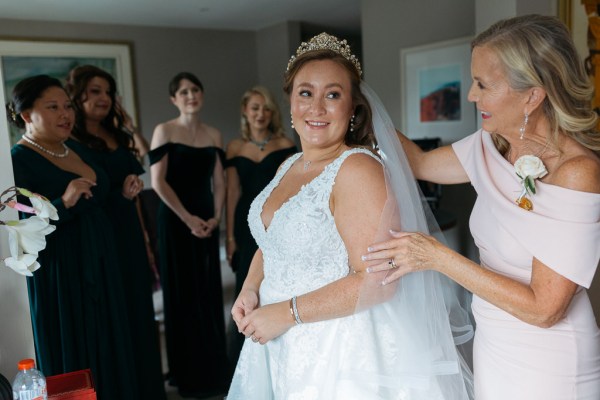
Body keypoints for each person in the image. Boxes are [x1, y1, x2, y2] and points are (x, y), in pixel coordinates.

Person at [364, 15, 600, 400]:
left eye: (483, 85)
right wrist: (362, 106)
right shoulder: (489, 146)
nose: (472, 95)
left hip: (551, 362)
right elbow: (420, 162)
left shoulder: (577, 173)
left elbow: (545, 310)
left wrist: (437, 257)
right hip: (493, 345)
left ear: (532, 95)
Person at [227, 33, 474, 399]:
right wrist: (249, 287)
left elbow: (379, 281)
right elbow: (273, 241)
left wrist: (285, 314)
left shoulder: (357, 169)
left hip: (336, 352)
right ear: (291, 101)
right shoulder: (288, 165)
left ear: (353, 107)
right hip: (275, 338)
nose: (317, 107)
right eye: (306, 93)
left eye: (333, 94)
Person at [7, 75, 139, 399]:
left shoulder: (76, 150)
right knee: (76, 346)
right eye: (53, 107)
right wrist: (62, 203)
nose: (65, 114)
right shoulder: (17, 160)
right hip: (62, 271)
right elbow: (19, 222)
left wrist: (122, 195)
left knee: (108, 340)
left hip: (101, 260)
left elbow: (99, 203)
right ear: (27, 115)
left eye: (67, 106)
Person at [64, 65, 167, 400]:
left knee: (139, 308)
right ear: (77, 95)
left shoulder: (117, 135)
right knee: (110, 313)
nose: (103, 98)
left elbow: (142, 162)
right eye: (94, 91)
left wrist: (146, 239)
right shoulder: (70, 143)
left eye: (108, 92)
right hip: (97, 236)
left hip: (129, 232)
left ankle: (146, 388)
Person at [148, 72, 229, 397]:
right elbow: (158, 181)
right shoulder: (164, 130)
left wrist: (216, 217)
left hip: (207, 219)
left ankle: (212, 366)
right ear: (173, 99)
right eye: (183, 91)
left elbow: (220, 182)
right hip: (176, 218)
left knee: (207, 290)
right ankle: (185, 371)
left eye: (195, 89)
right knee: (182, 290)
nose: (191, 95)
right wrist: (188, 219)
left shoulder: (213, 134)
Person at [224, 85, 296, 365]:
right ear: (245, 111)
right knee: (247, 282)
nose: (261, 113)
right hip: (245, 222)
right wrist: (229, 237)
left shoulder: (284, 144)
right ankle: (246, 347)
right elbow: (232, 192)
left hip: (277, 220)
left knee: (276, 276)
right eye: (255, 107)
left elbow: (291, 189)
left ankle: (276, 337)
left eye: (266, 108)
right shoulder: (235, 147)